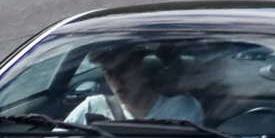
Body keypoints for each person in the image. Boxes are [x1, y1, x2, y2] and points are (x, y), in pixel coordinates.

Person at [69, 42, 207, 126]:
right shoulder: (92, 106)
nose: (116, 81)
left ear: (144, 68)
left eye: (123, 70)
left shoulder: (181, 108)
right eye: (109, 73)